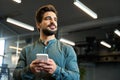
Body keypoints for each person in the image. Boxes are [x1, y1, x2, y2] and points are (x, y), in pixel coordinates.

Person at [13, 4, 80, 80]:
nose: (53, 22)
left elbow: (76, 77)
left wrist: (56, 70)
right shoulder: (26, 51)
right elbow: (15, 76)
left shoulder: (67, 49)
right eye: (48, 18)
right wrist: (30, 70)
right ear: (38, 24)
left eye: (55, 19)